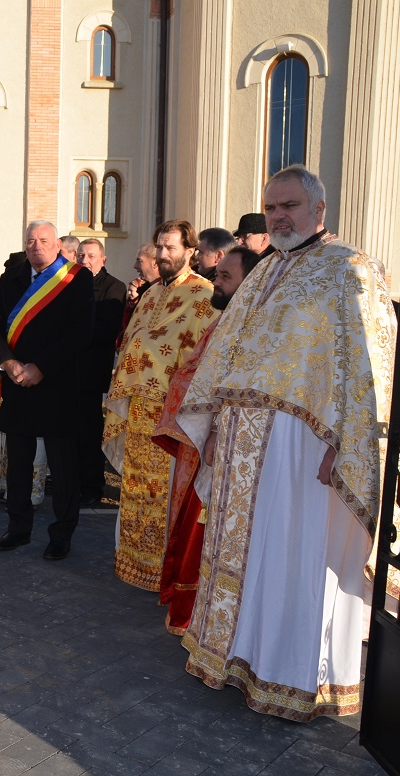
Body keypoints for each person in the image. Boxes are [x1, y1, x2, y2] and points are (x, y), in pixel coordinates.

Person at [176, 165, 398, 721]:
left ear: (319, 210)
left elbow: (374, 366)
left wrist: (349, 445)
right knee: (251, 554)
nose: (278, 216)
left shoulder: (350, 269)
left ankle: (292, 676)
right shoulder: (265, 268)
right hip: (246, 445)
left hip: (304, 445)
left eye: (290, 206)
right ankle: (240, 657)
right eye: (271, 207)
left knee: (294, 554)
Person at [151, 246, 259, 635]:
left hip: (228, 447)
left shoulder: (251, 324)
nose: (216, 281)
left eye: (225, 277)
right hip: (206, 437)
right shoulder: (228, 319)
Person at [104, 219, 215, 591]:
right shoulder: (150, 295)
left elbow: (204, 359)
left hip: (171, 415)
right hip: (138, 408)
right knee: (135, 487)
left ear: (191, 251)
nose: (163, 254)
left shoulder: (205, 295)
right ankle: (133, 560)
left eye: (171, 247)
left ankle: (162, 569)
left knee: (166, 492)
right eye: (160, 247)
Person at [0, 221, 94, 560]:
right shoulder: (14, 277)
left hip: (58, 385)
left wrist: (40, 366)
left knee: (62, 469)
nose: (36, 246)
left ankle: (61, 535)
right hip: (18, 384)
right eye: (30, 240)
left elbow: (80, 333)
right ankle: (18, 528)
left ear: (57, 244)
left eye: (43, 240)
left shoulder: (76, 278)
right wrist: (9, 363)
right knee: (17, 464)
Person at [77, 239, 126, 507]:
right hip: (67, 370)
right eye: (81, 255)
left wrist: (70, 336)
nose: (85, 260)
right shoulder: (68, 284)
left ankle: (92, 486)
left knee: (88, 431)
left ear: (103, 260)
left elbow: (106, 330)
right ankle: (70, 483)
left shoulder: (114, 287)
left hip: (91, 370)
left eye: (91, 256)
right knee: (68, 432)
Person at [121, 242, 159, 335]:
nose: (135, 266)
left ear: (155, 262)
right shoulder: (142, 291)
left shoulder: (169, 290)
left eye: (139, 261)